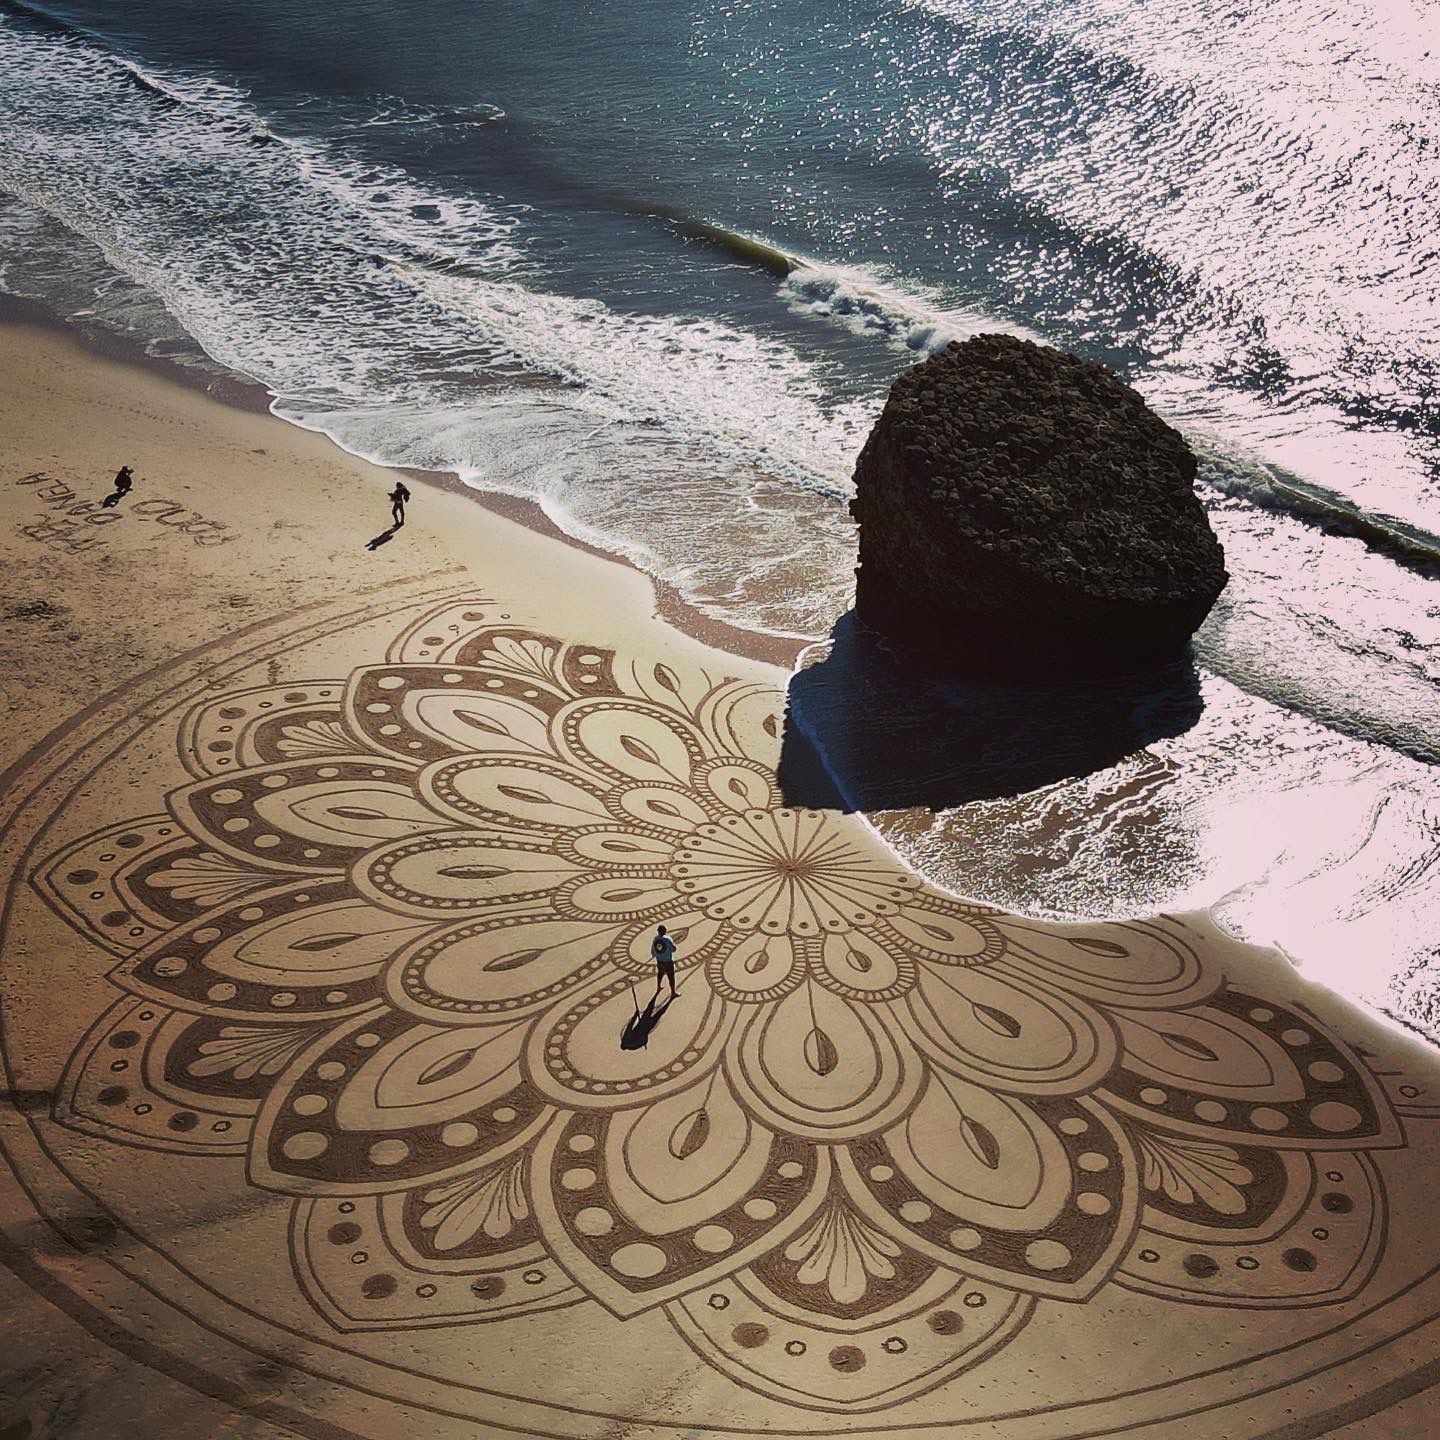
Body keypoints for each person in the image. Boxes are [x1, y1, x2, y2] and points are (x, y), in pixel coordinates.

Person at [651, 923, 677, 1000]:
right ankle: (673, 993)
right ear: (665, 931)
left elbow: (653, 952)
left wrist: (658, 956)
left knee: (660, 974)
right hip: (668, 961)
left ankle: (658, 987)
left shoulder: (655, 939)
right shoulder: (668, 939)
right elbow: (673, 949)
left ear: (658, 931)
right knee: (671, 977)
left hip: (659, 961)